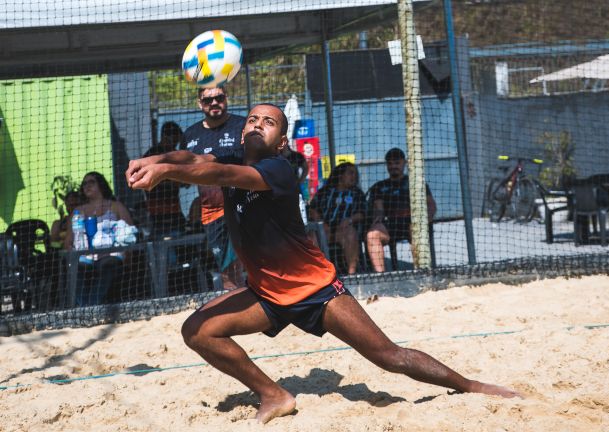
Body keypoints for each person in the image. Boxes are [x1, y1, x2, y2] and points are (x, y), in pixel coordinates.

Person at [126, 103, 521, 424]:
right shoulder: (232, 156)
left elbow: (216, 171)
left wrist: (166, 172)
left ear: (281, 142)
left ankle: (469, 385)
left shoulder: (277, 169)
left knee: (388, 356)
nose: (257, 124)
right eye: (252, 119)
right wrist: (160, 158)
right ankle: (274, 394)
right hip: (266, 294)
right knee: (197, 331)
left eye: (268, 122)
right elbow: (193, 156)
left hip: (316, 290)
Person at [182, 86, 246, 288]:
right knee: (227, 272)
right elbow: (185, 176)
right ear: (199, 104)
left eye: (219, 97)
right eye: (208, 100)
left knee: (247, 264)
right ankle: (239, 312)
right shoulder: (191, 134)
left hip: (244, 205)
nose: (214, 103)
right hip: (213, 212)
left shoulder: (241, 125)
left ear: (227, 98)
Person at [65, 172, 134, 306]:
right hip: (85, 255)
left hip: (111, 254)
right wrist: (71, 252)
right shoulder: (77, 212)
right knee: (78, 268)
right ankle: (85, 307)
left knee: (107, 264)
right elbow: (68, 241)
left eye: (91, 182)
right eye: (84, 184)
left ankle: (91, 306)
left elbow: (130, 232)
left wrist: (126, 254)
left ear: (101, 184)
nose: (87, 186)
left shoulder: (115, 206)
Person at [366, 148, 437, 272]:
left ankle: (421, 271)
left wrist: (425, 220)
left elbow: (431, 205)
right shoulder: (380, 186)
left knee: (415, 230)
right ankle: (380, 276)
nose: (393, 166)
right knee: (372, 235)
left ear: (405, 162)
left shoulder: (416, 183)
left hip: (412, 223)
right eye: (390, 163)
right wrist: (377, 220)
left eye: (397, 163)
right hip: (390, 226)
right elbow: (379, 208)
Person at [309, 162, 366, 274]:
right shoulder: (324, 192)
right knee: (312, 237)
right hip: (325, 230)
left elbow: (362, 213)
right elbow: (312, 209)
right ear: (340, 175)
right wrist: (321, 224)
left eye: (355, 174)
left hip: (345, 230)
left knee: (350, 233)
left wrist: (349, 220)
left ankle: (352, 273)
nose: (354, 176)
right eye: (350, 173)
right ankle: (320, 274)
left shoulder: (357, 193)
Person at [142, 121, 187, 239]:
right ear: (165, 137)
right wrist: (175, 181)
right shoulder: (152, 156)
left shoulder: (175, 156)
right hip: (156, 214)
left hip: (174, 213)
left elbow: (184, 180)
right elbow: (149, 181)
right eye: (174, 141)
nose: (175, 145)